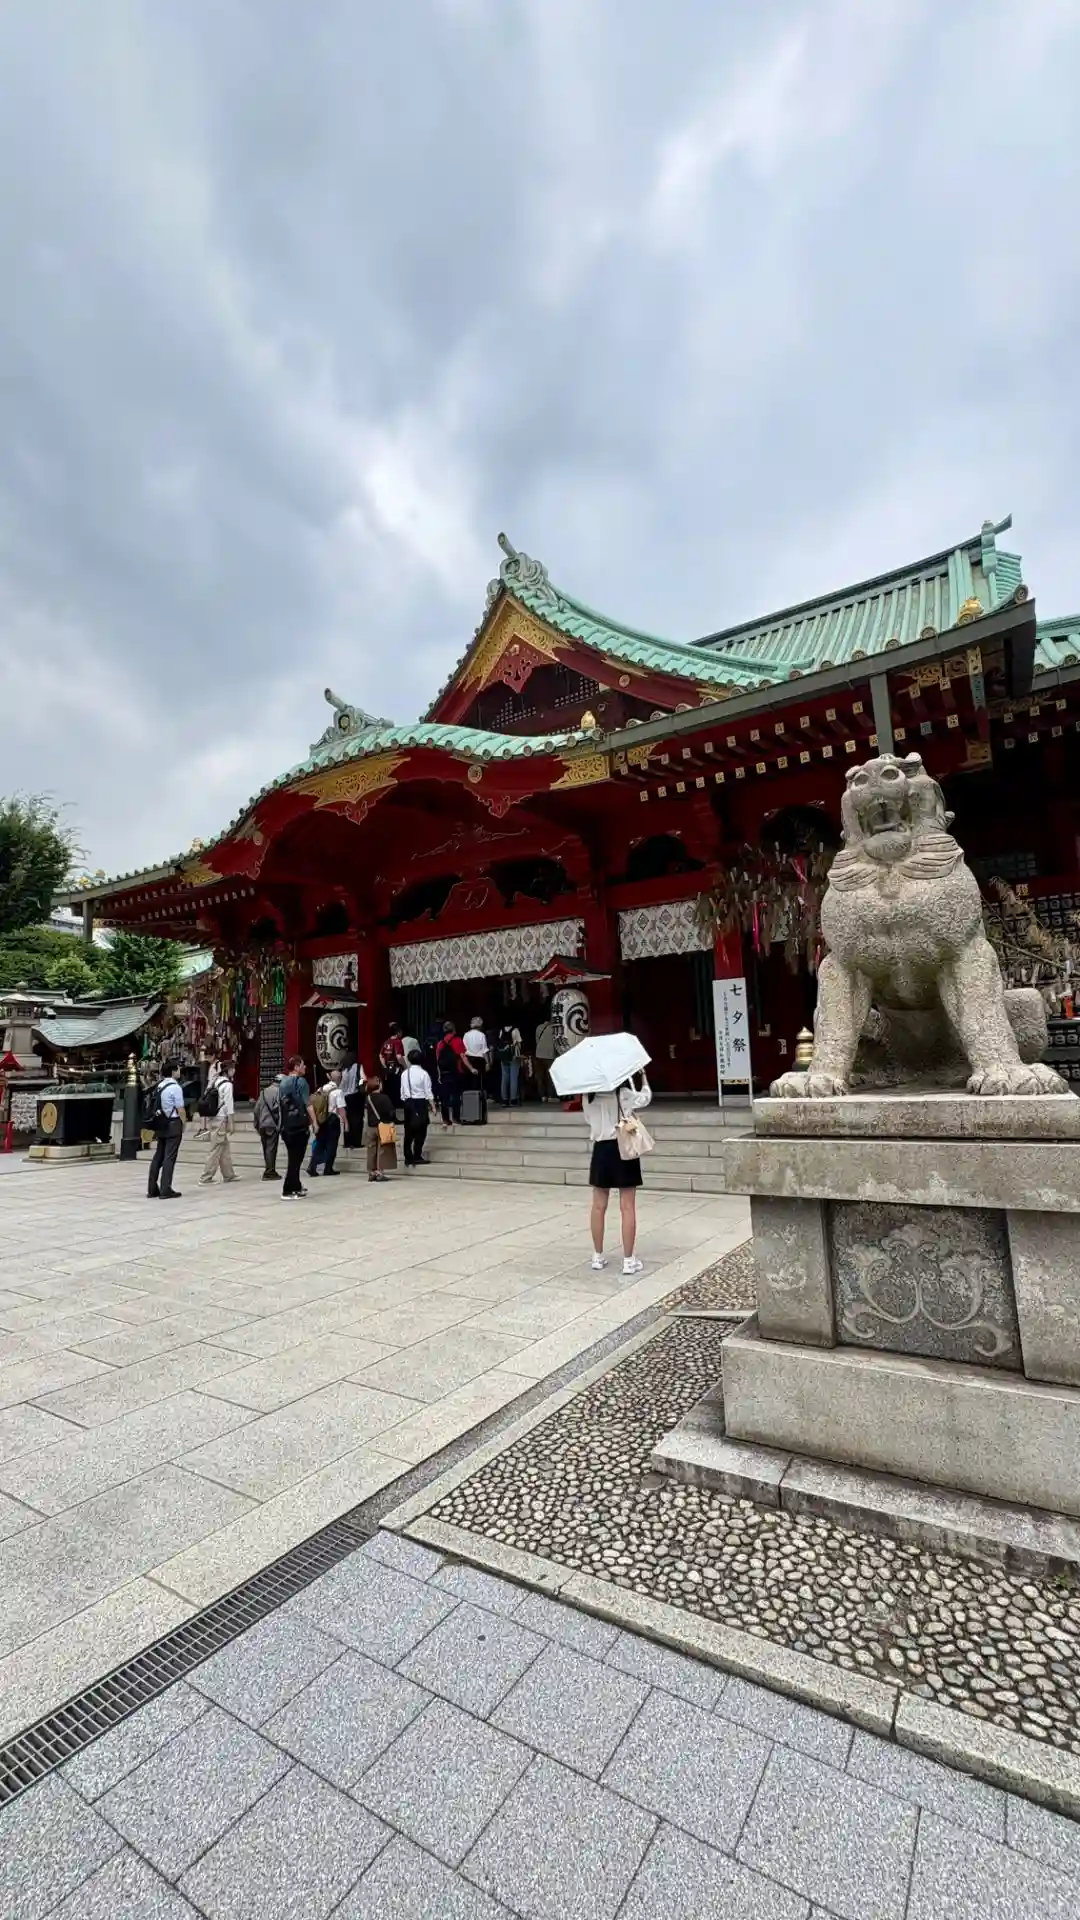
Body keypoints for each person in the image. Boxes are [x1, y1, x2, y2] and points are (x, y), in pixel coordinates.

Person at [585, 1070, 651, 1276]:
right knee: (627, 1206)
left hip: (601, 1150)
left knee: (598, 1206)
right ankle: (629, 1260)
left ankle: (597, 1256)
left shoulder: (588, 1097)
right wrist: (643, 1077)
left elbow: (589, 1120)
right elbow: (645, 1098)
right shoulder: (622, 1093)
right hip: (623, 1146)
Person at [278, 1054, 317, 1198]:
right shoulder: (301, 1082)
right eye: (302, 1065)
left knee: (293, 1157)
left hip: (286, 1125)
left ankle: (296, 1185)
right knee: (296, 1159)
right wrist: (315, 1122)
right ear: (296, 1067)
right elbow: (308, 1104)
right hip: (299, 1124)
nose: (305, 1067)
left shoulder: (283, 1082)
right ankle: (288, 1189)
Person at [146, 1059, 186, 1199]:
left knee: (158, 1156)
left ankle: (152, 1188)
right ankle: (165, 1188)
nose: (180, 1071)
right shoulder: (175, 1087)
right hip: (173, 1122)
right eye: (178, 1069)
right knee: (170, 1157)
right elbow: (180, 1109)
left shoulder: (160, 1085)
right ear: (173, 1071)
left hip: (160, 1122)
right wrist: (184, 1123)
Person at [199, 1060, 237, 1185]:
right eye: (232, 1069)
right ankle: (206, 1177)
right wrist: (231, 1123)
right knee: (215, 1149)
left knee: (224, 1147)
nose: (234, 1071)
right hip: (220, 1118)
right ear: (228, 1070)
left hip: (213, 1117)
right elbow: (229, 1105)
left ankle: (229, 1175)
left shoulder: (215, 1081)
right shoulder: (227, 1085)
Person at [400, 1048, 436, 1168]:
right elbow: (428, 1092)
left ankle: (407, 1156)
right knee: (421, 1130)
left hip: (408, 1103)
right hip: (420, 1103)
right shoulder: (424, 1074)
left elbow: (402, 1092)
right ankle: (417, 1154)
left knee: (408, 1130)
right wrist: (433, 1106)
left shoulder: (405, 1073)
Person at [309, 1067, 346, 1176]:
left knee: (320, 1143)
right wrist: (346, 1122)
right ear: (339, 1079)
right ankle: (328, 1168)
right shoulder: (338, 1091)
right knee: (332, 1145)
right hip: (332, 1119)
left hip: (321, 1118)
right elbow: (341, 1109)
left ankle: (312, 1166)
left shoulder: (320, 1089)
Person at [435, 1021, 471, 1128]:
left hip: (444, 1073)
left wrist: (439, 1075)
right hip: (456, 1072)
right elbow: (463, 1056)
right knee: (456, 1096)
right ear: (454, 1030)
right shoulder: (457, 1040)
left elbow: (438, 1061)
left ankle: (445, 1120)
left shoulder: (440, 1043)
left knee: (444, 1098)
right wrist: (471, 1068)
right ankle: (456, 1119)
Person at [364, 1073, 397, 1181]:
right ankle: (379, 1172)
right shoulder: (384, 1098)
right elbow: (391, 1112)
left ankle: (371, 1172)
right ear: (379, 1085)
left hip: (370, 1126)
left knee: (371, 1150)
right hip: (382, 1125)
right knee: (382, 1150)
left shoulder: (368, 1098)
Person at [253, 1073, 282, 1180]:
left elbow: (256, 1109)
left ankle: (269, 1169)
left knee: (266, 1148)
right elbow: (280, 1109)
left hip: (262, 1124)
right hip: (272, 1124)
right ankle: (269, 1172)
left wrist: (256, 1124)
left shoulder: (264, 1091)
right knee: (271, 1148)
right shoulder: (279, 1092)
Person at [495, 1021, 523, 1107]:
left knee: (504, 1078)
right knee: (513, 1078)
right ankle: (513, 1099)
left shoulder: (501, 1030)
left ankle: (504, 1099)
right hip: (513, 1056)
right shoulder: (515, 1030)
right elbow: (519, 1043)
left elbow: (500, 1042)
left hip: (503, 1056)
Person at [340, 1054, 364, 1147]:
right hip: (356, 1095)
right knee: (357, 1119)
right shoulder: (358, 1066)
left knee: (347, 1119)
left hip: (345, 1096)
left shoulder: (344, 1068)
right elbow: (363, 1078)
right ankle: (356, 1142)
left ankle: (347, 1141)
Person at [534, 1014, 556, 1101]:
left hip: (538, 1054)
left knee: (540, 1077)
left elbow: (537, 1040)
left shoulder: (538, 1027)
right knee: (549, 1077)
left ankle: (542, 1096)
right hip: (549, 1055)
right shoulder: (554, 1029)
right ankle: (550, 1096)